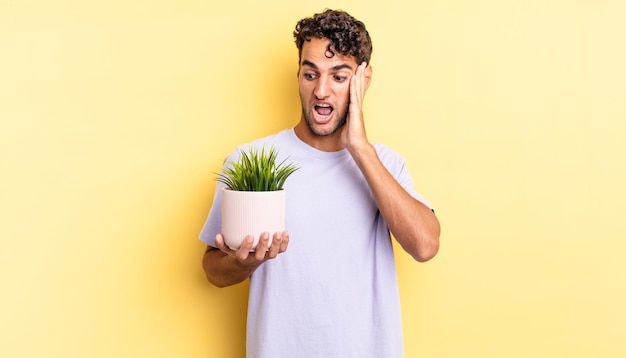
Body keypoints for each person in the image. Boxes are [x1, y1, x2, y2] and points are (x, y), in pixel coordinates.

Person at [200, 9, 440, 358]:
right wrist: (243, 263)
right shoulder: (252, 160)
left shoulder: (385, 163)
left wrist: (360, 148)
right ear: (298, 75)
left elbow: (425, 245)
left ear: (364, 79)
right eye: (310, 74)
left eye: (339, 77)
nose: (321, 91)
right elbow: (212, 269)